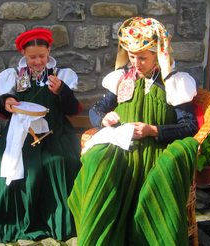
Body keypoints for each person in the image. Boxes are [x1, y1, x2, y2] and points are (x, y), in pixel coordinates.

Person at [68, 17, 200, 245]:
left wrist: (153, 130)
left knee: (155, 177)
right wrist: (103, 119)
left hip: (156, 147)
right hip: (122, 144)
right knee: (97, 163)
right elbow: (96, 110)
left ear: (158, 54)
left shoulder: (173, 82)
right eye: (131, 56)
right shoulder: (123, 78)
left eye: (142, 58)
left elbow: (189, 126)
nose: (136, 63)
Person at [0, 28, 82, 244]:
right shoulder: (15, 76)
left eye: (41, 56)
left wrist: (62, 92)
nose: (37, 61)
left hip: (55, 133)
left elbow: (72, 109)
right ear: (24, 54)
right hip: (21, 134)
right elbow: (4, 108)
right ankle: (15, 219)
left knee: (60, 162)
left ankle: (57, 220)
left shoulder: (60, 75)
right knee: (7, 166)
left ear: (49, 52)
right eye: (32, 57)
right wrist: (6, 103)